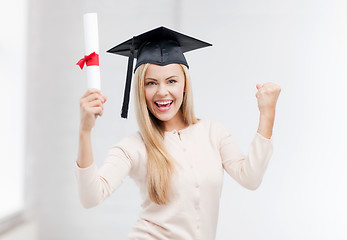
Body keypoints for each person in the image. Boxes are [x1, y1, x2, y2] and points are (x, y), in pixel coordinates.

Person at [75, 26, 281, 240]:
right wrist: (85, 130)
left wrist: (267, 114)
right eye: (151, 83)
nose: (162, 92)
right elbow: (90, 197)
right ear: (141, 90)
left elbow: (251, 177)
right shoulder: (134, 147)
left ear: (184, 85)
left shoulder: (213, 133)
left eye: (171, 81)